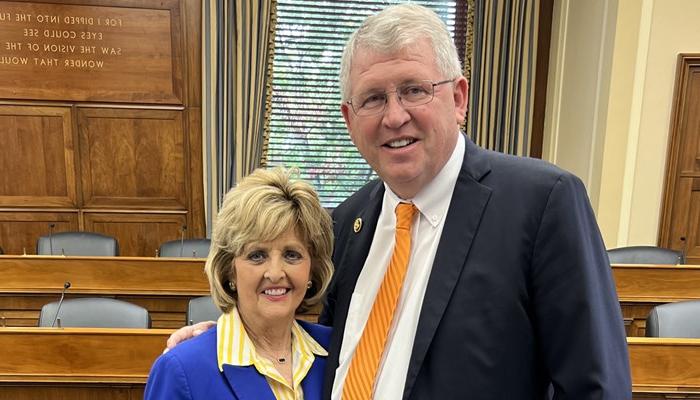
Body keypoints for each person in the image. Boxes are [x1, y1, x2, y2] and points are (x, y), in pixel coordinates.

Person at [168, 4, 632, 399]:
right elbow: (314, 342)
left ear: (458, 97)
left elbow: (596, 387)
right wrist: (219, 343)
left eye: (414, 89)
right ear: (350, 120)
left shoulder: (542, 202)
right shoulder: (349, 220)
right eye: (372, 98)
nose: (394, 116)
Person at [146, 167, 334, 400]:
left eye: (292, 255)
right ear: (229, 270)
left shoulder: (337, 350)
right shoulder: (181, 369)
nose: (275, 273)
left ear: (312, 269)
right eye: (257, 255)